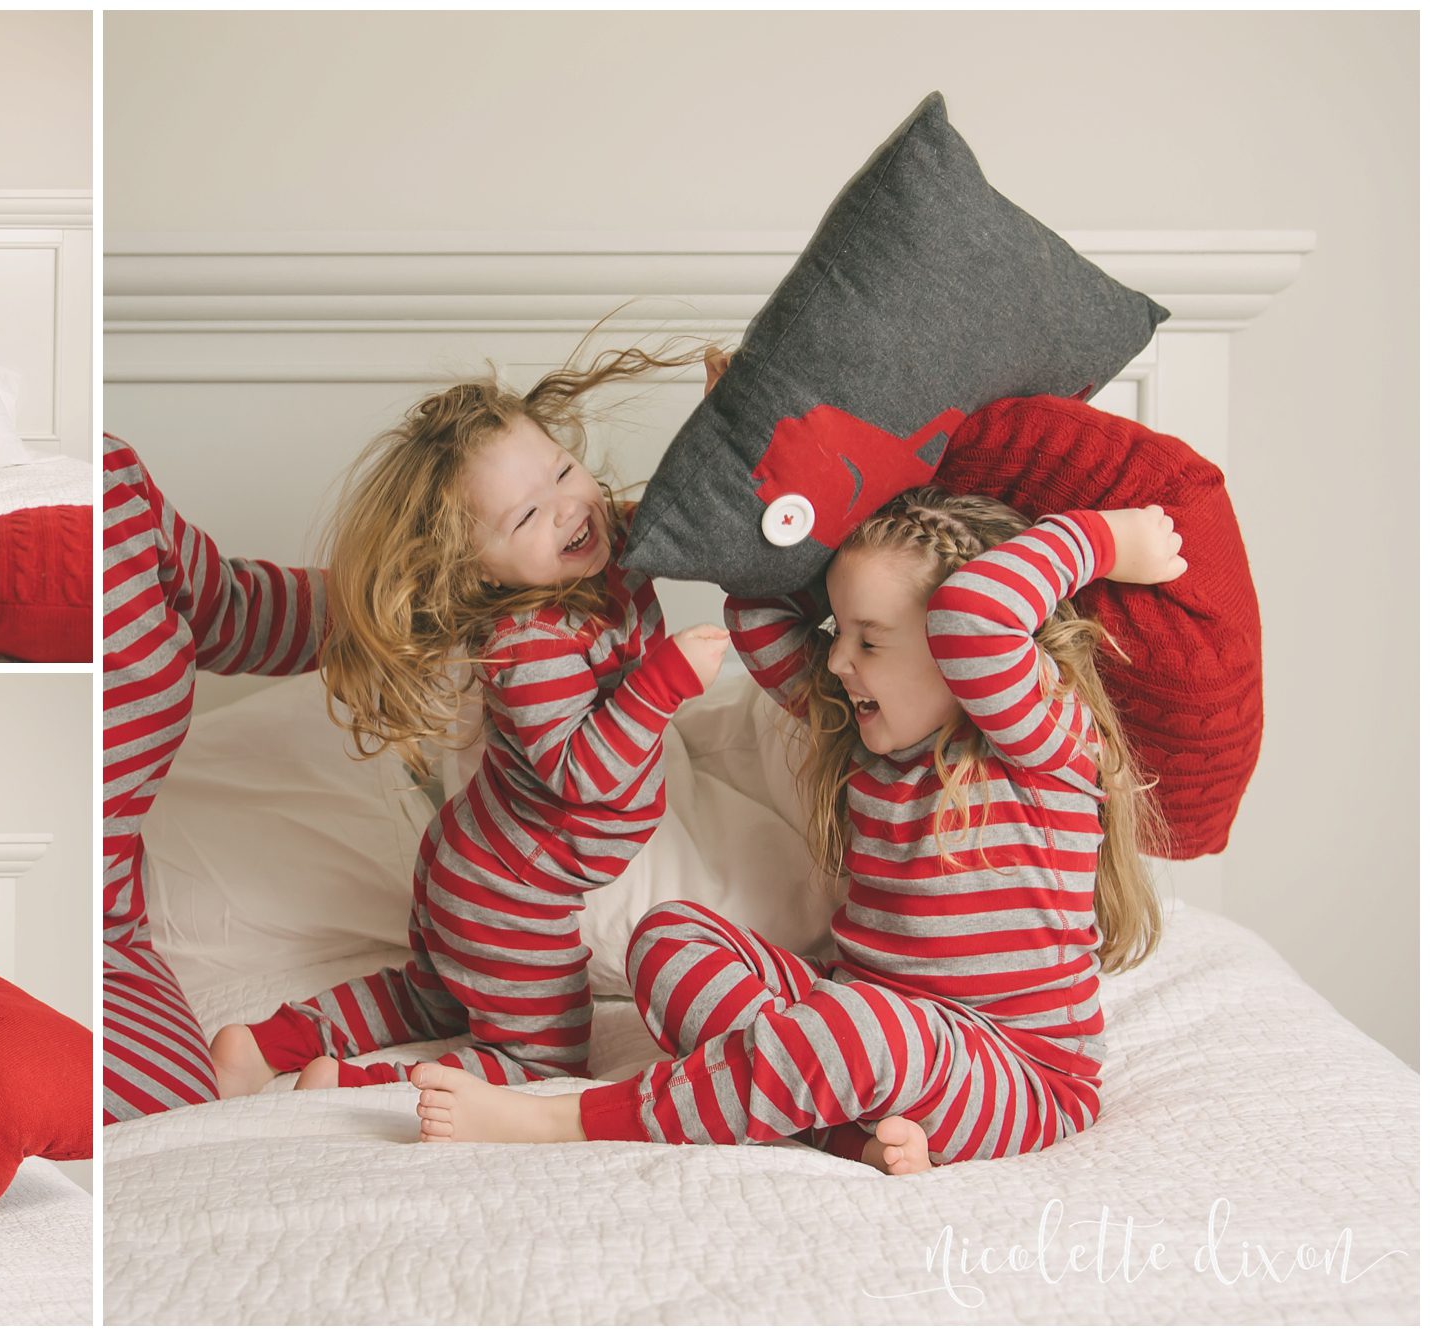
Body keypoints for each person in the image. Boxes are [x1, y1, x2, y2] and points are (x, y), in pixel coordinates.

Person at [408, 468, 1183, 1168]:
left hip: (1018, 1073)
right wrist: (766, 490)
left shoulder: (1042, 737)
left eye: (869, 642)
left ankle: (569, 1123)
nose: (839, 662)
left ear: (958, 653)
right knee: (668, 938)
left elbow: (978, 613)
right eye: (836, 633)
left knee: (866, 1027)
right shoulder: (873, 746)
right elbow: (753, 606)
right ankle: (840, 1130)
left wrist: (1109, 538)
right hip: (865, 1025)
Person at [211, 342, 729, 1096]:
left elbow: (683, 509)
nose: (567, 507)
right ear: (475, 568)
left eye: (560, 471)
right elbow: (582, 773)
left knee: (426, 994)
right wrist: (664, 683)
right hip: (508, 894)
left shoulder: (602, 547)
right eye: (526, 516)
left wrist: (722, 424)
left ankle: (267, 1044)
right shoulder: (531, 645)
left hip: (475, 864)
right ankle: (363, 1084)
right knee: (544, 1063)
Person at [101, 436, 330, 1124]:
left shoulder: (112, 486)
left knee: (169, 1120)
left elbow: (230, 608)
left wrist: (428, 601)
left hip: (106, 942)